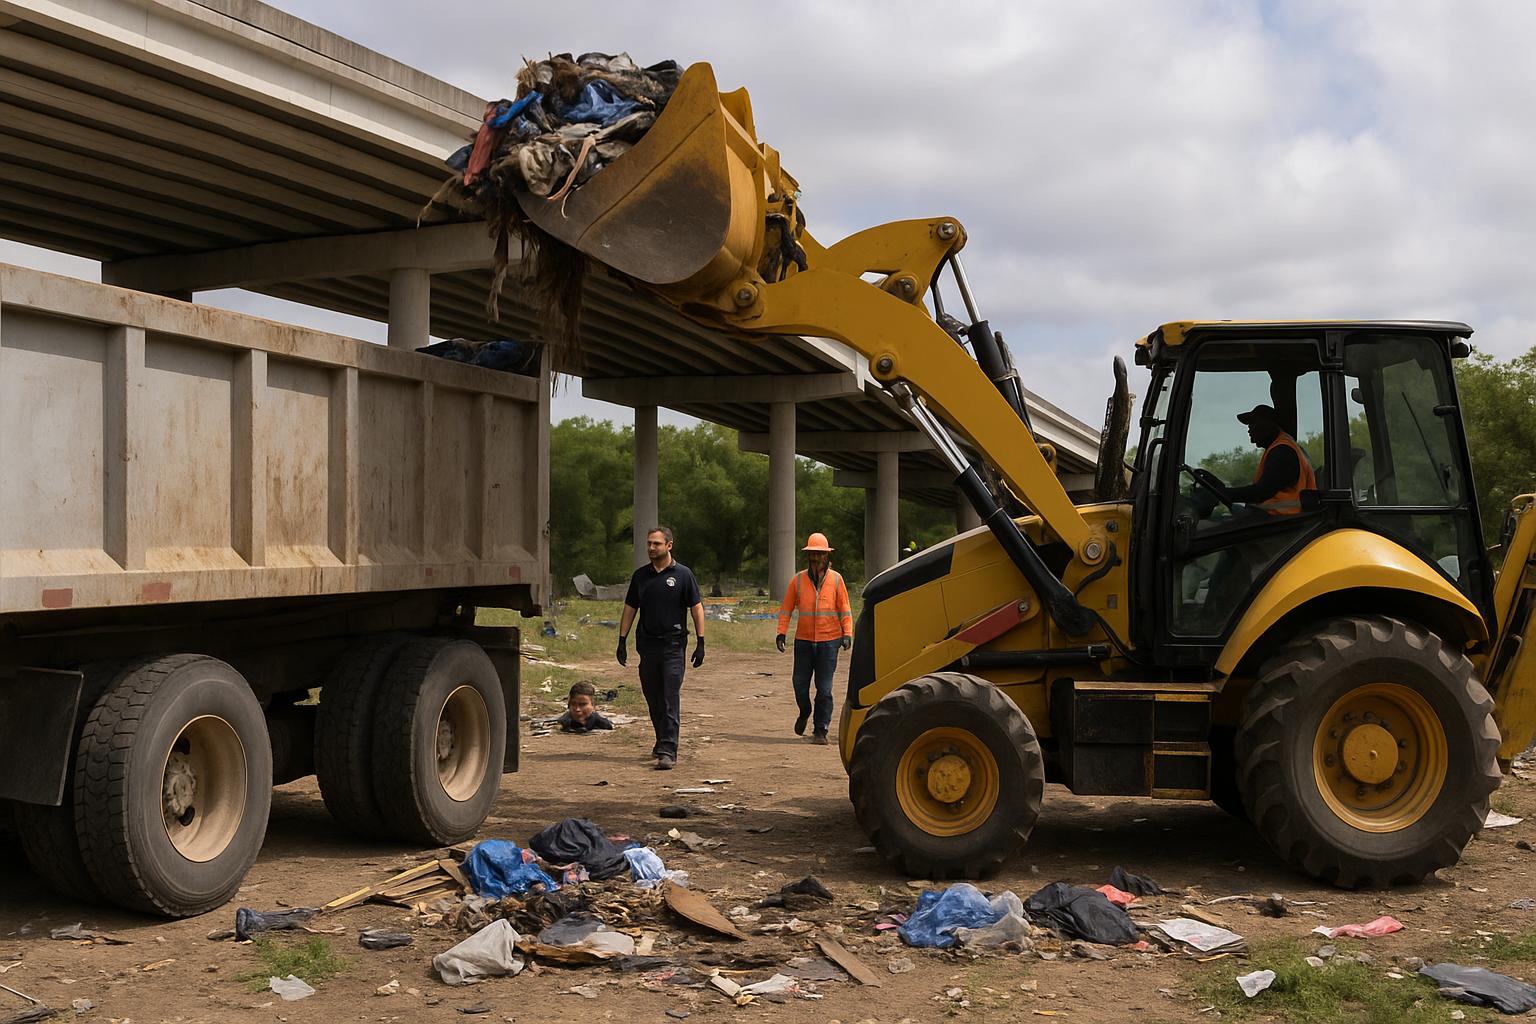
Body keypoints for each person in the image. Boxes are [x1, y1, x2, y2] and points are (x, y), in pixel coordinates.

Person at [616, 526, 705, 770]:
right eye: (649, 544)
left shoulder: (684, 575)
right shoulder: (640, 576)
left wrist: (701, 641)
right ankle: (661, 740)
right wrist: (622, 640)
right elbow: (630, 608)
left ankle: (669, 749)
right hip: (647, 645)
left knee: (669, 696)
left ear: (669, 545)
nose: (651, 548)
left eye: (656, 543)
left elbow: (696, 607)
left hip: (673, 646)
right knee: (653, 697)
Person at [775, 532, 853, 745]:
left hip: (830, 642)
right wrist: (781, 632)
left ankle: (821, 730)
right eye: (812, 554)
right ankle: (804, 711)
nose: (816, 558)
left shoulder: (837, 580)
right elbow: (786, 609)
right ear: (808, 556)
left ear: (826, 556)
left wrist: (847, 634)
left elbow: (844, 609)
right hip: (804, 641)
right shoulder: (798, 580)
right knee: (799, 684)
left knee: (824, 688)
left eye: (819, 554)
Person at [1222, 404, 1317, 515]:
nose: (1249, 429)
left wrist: (1223, 493)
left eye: (1252, 423)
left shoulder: (1283, 452)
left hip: (1282, 524)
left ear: (1267, 425)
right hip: (1277, 520)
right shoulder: (1282, 447)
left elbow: (1261, 492)